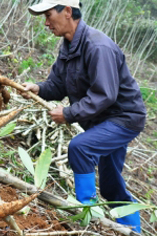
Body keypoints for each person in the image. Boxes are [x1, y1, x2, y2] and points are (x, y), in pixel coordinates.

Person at [23, 0, 147, 233]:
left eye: (49, 15)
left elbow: (105, 94)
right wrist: (38, 88)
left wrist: (69, 113)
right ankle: (134, 230)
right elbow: (58, 86)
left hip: (123, 118)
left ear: (67, 11)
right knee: (110, 186)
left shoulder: (97, 46)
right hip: (101, 120)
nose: (46, 23)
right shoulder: (68, 47)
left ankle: (86, 217)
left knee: (80, 147)